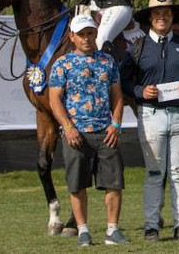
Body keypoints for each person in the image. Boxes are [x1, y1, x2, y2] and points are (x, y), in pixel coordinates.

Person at [120, 0, 179, 242]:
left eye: (167, 13)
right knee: (154, 173)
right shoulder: (138, 47)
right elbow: (124, 83)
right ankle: (152, 226)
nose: (162, 17)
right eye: (157, 13)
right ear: (150, 18)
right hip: (151, 115)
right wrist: (139, 91)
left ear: (172, 16)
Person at [48, 14, 129, 246]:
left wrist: (115, 124)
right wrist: (68, 127)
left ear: (95, 34)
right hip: (76, 134)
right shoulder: (62, 64)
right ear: (72, 37)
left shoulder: (108, 62)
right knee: (77, 183)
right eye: (81, 34)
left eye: (90, 33)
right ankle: (83, 229)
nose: (86, 38)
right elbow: (55, 100)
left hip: (106, 132)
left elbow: (117, 97)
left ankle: (112, 230)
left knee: (114, 183)